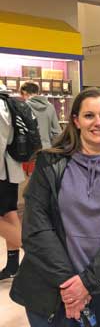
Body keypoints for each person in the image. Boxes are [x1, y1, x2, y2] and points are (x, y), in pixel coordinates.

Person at [9, 88, 100, 327]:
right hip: (50, 286)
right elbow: (36, 229)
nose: (98, 123)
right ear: (76, 120)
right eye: (89, 115)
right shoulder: (48, 163)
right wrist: (70, 285)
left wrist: (88, 283)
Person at [0, 84, 23, 281]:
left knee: (8, 215)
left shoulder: (1, 104)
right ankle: (13, 264)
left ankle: (39, 256)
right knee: (9, 213)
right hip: (7, 170)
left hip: (2, 171)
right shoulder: (7, 101)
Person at [20, 81, 61, 149]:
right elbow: (57, 132)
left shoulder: (23, 107)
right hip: (47, 149)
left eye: (22, 95)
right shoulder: (50, 107)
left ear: (24, 92)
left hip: (29, 151)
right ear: (37, 92)